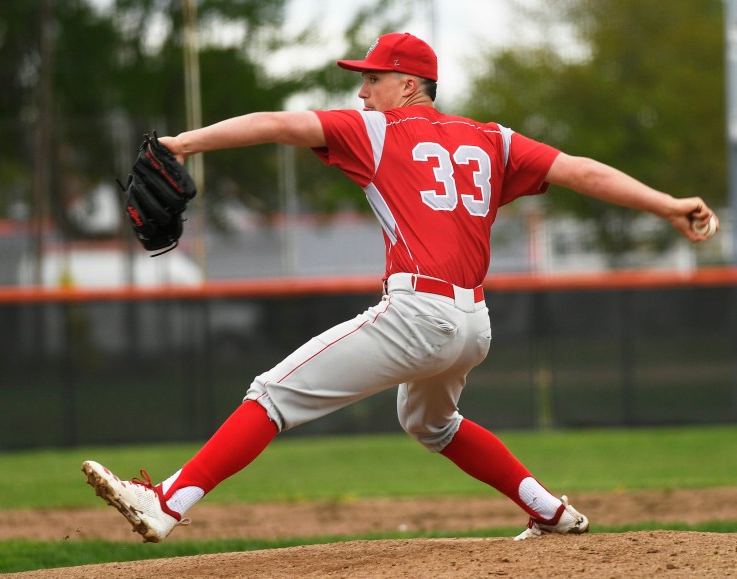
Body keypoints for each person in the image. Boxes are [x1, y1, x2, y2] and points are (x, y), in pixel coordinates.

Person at [82, 32, 718, 543]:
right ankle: (549, 511)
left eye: (372, 79)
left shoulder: (378, 132)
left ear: (408, 83)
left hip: (420, 313)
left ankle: (166, 502)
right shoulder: (493, 141)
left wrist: (182, 143)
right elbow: (581, 171)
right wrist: (666, 205)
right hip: (473, 326)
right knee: (429, 421)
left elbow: (279, 123)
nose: (362, 94)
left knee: (272, 395)